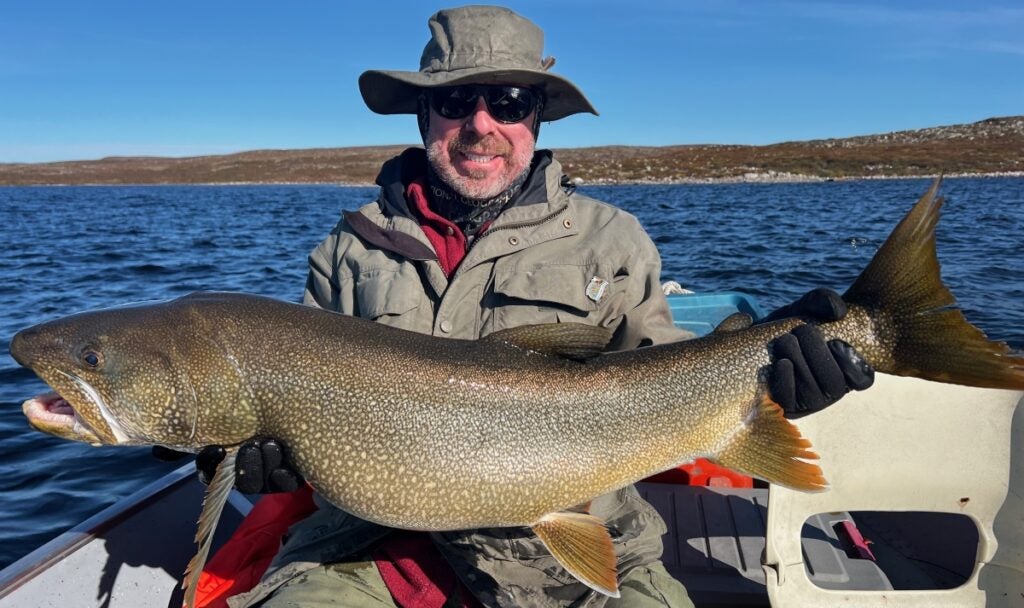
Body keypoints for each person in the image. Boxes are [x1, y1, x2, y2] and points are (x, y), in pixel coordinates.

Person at [180, 6, 874, 607]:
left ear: (536, 118)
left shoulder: (612, 239)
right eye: (455, 102)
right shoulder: (346, 250)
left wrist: (771, 382)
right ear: (424, 114)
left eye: (508, 102)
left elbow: (667, 371)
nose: (481, 125)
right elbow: (274, 397)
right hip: (370, 551)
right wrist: (240, 456)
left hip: (585, 541)